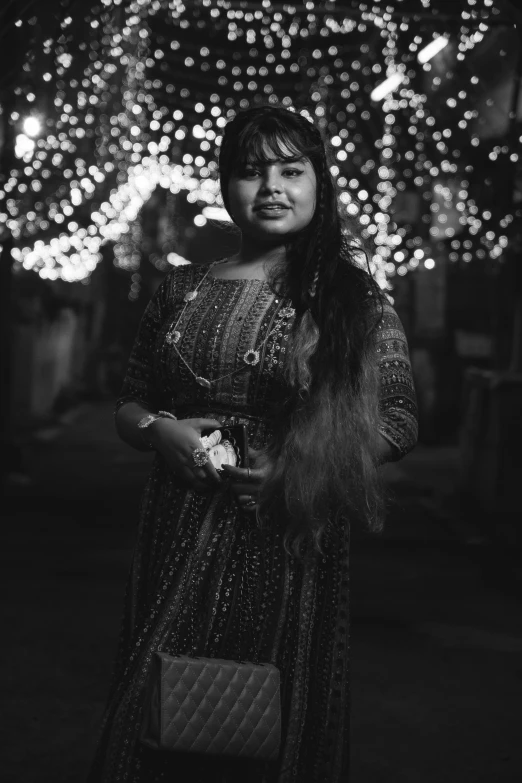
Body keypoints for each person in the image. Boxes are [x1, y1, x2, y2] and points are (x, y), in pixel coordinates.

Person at [87, 105, 418, 783]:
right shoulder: (180, 287)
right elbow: (130, 400)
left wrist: (299, 467)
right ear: (224, 185)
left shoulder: (351, 298)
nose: (271, 186)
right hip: (175, 528)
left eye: (291, 170)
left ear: (318, 183)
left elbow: (400, 419)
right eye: (250, 171)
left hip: (287, 540)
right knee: (157, 714)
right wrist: (159, 431)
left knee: (268, 727)